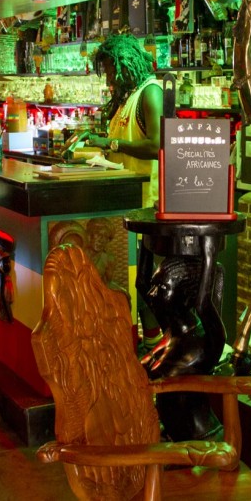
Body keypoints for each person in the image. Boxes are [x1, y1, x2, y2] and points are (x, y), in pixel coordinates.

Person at [85, 34, 164, 350]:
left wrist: (112, 144)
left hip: (147, 202)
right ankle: (150, 341)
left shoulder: (150, 92)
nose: (108, 78)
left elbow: (157, 145)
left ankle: (155, 343)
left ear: (127, 65)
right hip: (127, 202)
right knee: (138, 279)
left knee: (146, 280)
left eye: (111, 70)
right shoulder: (127, 98)